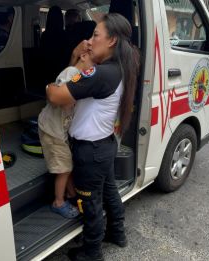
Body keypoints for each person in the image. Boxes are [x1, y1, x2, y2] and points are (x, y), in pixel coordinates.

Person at [46, 13, 140, 261]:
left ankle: (92, 253)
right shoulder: (116, 68)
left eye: (95, 35)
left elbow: (56, 96)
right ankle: (117, 233)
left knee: (90, 203)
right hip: (105, 145)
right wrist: (79, 60)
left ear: (111, 41)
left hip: (91, 151)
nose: (90, 40)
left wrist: (48, 86)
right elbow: (78, 81)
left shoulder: (99, 74)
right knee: (109, 192)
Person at [38, 52, 95, 219]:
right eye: (94, 62)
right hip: (52, 130)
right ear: (83, 56)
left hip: (57, 129)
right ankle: (58, 202)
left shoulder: (79, 76)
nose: (94, 68)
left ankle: (71, 194)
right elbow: (60, 99)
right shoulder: (71, 73)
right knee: (64, 168)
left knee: (67, 164)